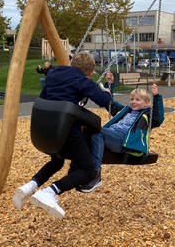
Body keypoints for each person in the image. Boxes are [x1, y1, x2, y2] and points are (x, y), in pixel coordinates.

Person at [12, 52, 112, 219]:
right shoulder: (82, 80)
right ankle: (50, 192)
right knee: (89, 170)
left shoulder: (54, 74)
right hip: (66, 130)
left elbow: (46, 96)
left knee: (57, 161)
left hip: (45, 127)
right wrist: (107, 93)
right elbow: (103, 100)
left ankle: (29, 187)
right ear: (89, 71)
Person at [78, 76, 165, 193]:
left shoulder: (147, 115)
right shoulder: (127, 110)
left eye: (138, 100)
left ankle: (95, 175)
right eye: (132, 99)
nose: (133, 102)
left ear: (147, 103)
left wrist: (157, 97)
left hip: (123, 140)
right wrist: (111, 85)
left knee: (96, 129)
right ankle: (80, 172)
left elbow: (158, 119)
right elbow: (111, 104)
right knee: (86, 129)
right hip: (112, 134)